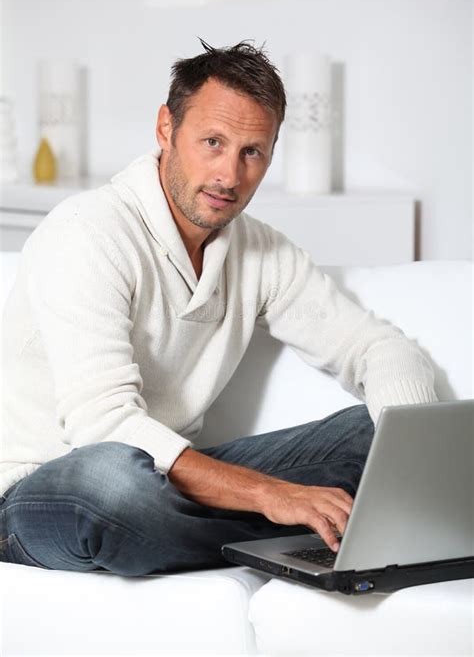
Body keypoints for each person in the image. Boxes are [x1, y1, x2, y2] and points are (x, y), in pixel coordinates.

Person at [0, 39, 438, 576]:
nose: (229, 176)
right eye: (212, 142)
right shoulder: (86, 231)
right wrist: (269, 495)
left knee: (374, 436)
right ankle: (288, 533)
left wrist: (413, 469)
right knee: (113, 483)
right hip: (45, 491)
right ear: (166, 129)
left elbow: (376, 348)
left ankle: (221, 539)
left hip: (169, 483)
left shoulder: (260, 250)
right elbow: (103, 425)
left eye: (252, 151)